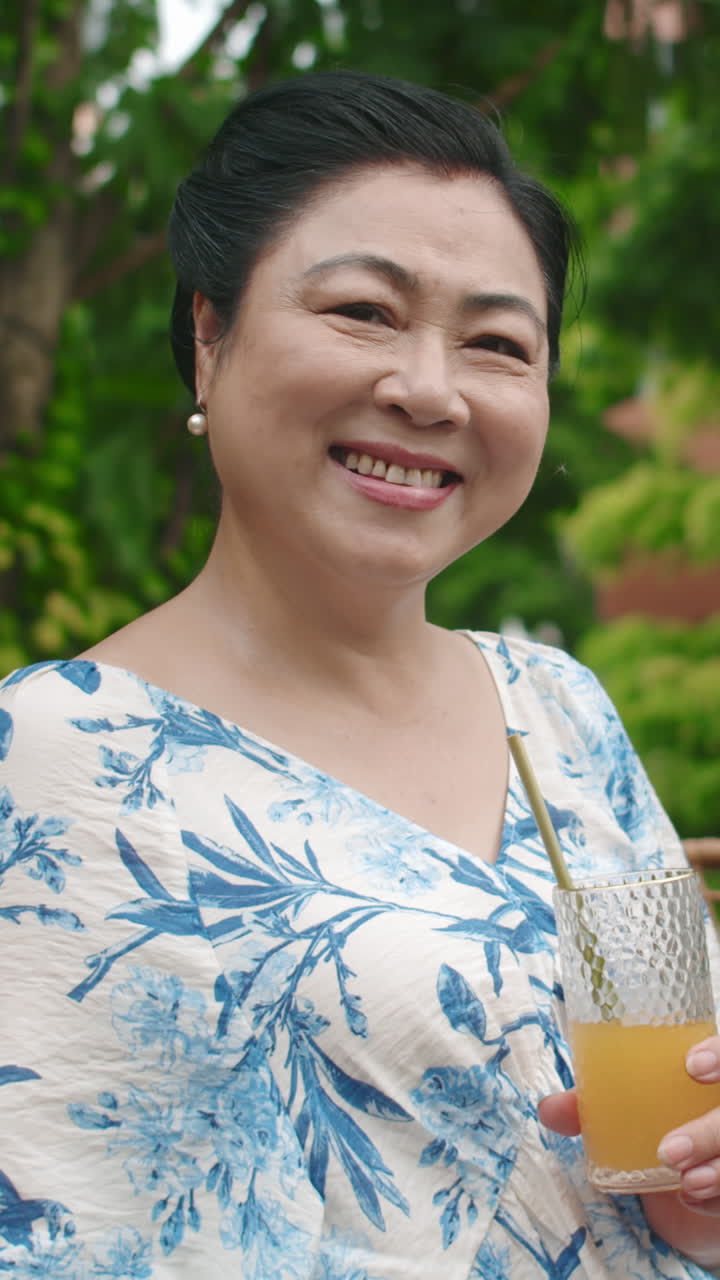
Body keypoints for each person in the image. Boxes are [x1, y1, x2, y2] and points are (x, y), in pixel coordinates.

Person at [1, 69, 720, 1280]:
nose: (429, 389)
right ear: (210, 333)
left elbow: (658, 1144)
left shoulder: (557, 706)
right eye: (364, 312)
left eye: (497, 342)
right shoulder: (56, 760)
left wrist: (695, 1200)